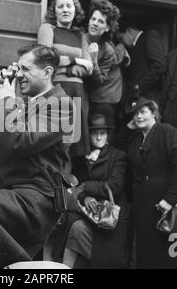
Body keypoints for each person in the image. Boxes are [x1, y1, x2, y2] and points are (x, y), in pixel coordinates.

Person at [0, 44, 76, 269]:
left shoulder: (63, 105)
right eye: (18, 69)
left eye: (26, 69)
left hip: (36, 200)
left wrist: (7, 102)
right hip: (12, 195)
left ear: (47, 72)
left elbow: (20, 142)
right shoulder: (24, 103)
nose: (19, 75)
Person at [46, 114, 130, 268]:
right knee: (68, 224)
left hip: (110, 216)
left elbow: (114, 186)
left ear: (108, 135)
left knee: (106, 255)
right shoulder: (81, 158)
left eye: (102, 133)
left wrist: (85, 187)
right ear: (89, 135)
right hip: (88, 212)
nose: (98, 137)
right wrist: (85, 197)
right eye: (94, 133)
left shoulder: (118, 156)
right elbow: (75, 184)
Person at [37, 0, 93, 156]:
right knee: (56, 141)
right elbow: (46, 59)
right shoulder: (48, 29)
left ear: (75, 10)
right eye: (60, 6)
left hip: (77, 92)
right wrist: (75, 61)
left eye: (69, 6)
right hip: (57, 89)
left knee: (72, 143)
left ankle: (66, 180)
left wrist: (66, 65)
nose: (65, 10)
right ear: (55, 11)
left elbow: (88, 67)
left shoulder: (81, 35)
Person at [123, 97, 177, 268]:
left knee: (164, 249)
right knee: (146, 248)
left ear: (154, 113)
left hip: (164, 202)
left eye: (143, 112)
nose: (138, 116)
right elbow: (116, 147)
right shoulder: (135, 140)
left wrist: (170, 199)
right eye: (135, 114)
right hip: (143, 204)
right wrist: (127, 128)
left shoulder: (166, 131)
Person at [86, 0, 125, 127]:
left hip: (97, 100)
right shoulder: (79, 37)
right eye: (93, 19)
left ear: (107, 27)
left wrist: (94, 60)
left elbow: (99, 80)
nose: (95, 23)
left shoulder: (108, 50)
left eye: (101, 21)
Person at [116, 20, 167, 107]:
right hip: (138, 99)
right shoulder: (133, 47)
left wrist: (138, 86)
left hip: (148, 99)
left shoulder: (150, 36)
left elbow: (159, 65)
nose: (122, 43)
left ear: (129, 31)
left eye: (121, 38)